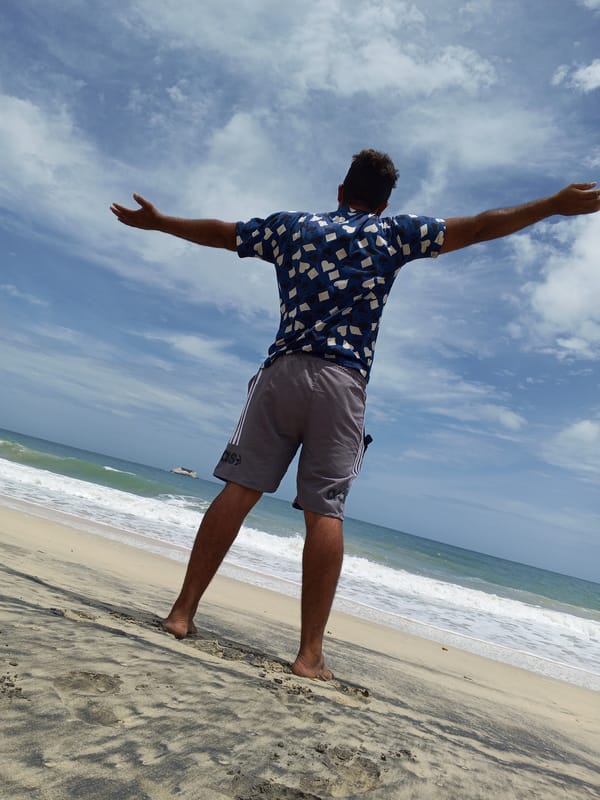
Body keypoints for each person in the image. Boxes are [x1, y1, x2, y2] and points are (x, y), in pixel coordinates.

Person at [111, 150, 600, 679]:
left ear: (341, 191)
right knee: (324, 512)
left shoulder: (292, 228)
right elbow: (480, 226)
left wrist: (161, 222)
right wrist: (552, 204)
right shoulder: (393, 235)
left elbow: (222, 234)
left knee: (239, 489)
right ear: (384, 203)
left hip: (282, 373)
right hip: (343, 384)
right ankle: (309, 655)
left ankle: (182, 614)